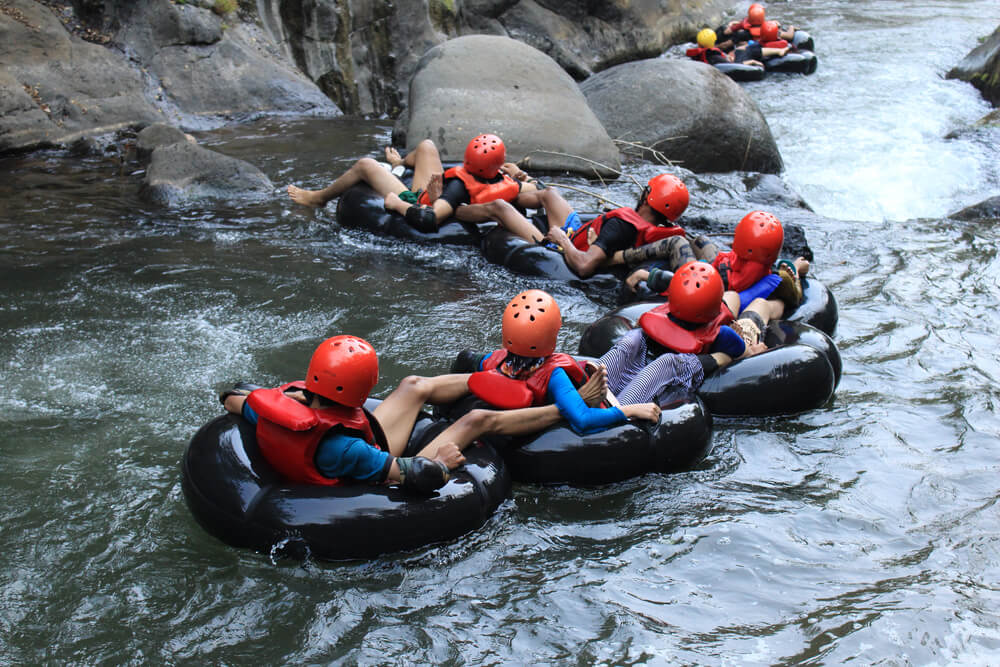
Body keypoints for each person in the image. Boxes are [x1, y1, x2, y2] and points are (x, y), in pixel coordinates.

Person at [220, 334, 573, 494]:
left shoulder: (267, 407)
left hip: (328, 448)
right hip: (366, 479)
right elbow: (416, 475)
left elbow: (231, 398)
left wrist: (284, 396)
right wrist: (445, 464)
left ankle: (502, 377)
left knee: (414, 384)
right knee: (476, 421)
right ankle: (560, 408)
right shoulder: (349, 450)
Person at [465, 290, 663, 433]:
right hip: (611, 403)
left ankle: (643, 333)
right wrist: (630, 410)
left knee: (631, 343)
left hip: (593, 384)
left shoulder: (492, 361)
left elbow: (466, 362)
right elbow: (582, 419)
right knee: (666, 363)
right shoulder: (555, 375)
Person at [594, 261, 771, 406]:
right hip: (714, 340)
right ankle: (776, 301)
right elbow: (744, 352)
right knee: (757, 303)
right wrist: (752, 350)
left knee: (734, 297)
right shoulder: (724, 335)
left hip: (709, 339)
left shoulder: (652, 319)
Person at [287, 134, 542, 232]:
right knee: (427, 146)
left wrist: (398, 204)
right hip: (436, 190)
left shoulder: (457, 187)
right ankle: (400, 165)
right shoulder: (505, 181)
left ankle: (319, 197)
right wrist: (521, 174)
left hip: (422, 198)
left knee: (366, 165)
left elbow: (430, 218)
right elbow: (535, 190)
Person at [626, 211, 810, 332]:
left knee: (678, 242)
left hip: (706, 275)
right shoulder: (768, 273)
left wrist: (649, 275)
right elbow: (784, 280)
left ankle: (618, 257)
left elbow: (692, 286)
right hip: (714, 267)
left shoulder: (750, 286)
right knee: (700, 240)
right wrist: (796, 267)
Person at [529, 174, 692, 279]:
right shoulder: (662, 237)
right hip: (580, 237)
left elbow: (584, 266)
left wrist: (562, 239)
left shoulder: (620, 225)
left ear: (646, 198)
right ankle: (527, 183)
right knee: (549, 193)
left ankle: (515, 186)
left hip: (564, 248)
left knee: (502, 206)